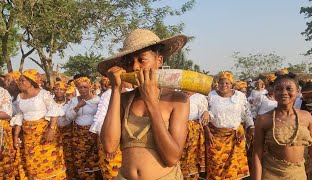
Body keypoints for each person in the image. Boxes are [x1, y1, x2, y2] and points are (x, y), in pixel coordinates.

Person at [99, 28, 189, 179]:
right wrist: (115, 89)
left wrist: (151, 103)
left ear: (159, 60)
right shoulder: (123, 99)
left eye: (141, 60)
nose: (135, 67)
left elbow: (172, 158)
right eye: (130, 62)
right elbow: (109, 146)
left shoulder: (178, 100)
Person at [253, 73, 312, 179]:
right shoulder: (264, 120)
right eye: (278, 89)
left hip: (298, 174)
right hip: (271, 173)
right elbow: (257, 155)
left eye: (289, 88)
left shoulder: (306, 117)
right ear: (274, 92)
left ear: (298, 92)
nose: (284, 92)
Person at [11, 69, 66, 179]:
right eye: (19, 81)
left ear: (31, 81)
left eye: (23, 80)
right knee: (33, 163)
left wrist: (51, 129)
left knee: (49, 160)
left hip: (44, 132)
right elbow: (19, 116)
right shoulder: (20, 97)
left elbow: (54, 110)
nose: (20, 83)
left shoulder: (43, 94)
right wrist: (16, 136)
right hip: (28, 136)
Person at [205, 71, 254, 179]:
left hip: (235, 137)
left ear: (231, 84)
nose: (224, 85)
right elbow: (204, 114)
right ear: (218, 83)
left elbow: (247, 113)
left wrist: (251, 126)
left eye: (227, 83)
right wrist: (207, 132)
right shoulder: (211, 95)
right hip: (215, 137)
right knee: (215, 165)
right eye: (221, 83)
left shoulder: (240, 96)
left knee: (233, 167)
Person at [65, 77, 101, 179]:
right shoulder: (74, 101)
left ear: (90, 86)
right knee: (80, 157)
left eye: (85, 87)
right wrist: (78, 106)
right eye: (80, 87)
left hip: (93, 133)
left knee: (94, 157)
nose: (83, 89)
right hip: (78, 134)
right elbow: (68, 117)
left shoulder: (97, 100)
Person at [180, 91, 207, 179]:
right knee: (178, 153)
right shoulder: (177, 95)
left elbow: (204, 113)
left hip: (193, 132)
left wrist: (206, 112)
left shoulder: (200, 97)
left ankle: (192, 176)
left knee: (192, 155)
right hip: (178, 128)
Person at [53, 81, 75, 178]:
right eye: (56, 89)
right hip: (54, 133)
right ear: (53, 90)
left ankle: (70, 175)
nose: (59, 91)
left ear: (65, 91)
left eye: (61, 89)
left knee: (68, 155)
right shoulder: (49, 102)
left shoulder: (70, 102)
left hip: (68, 132)